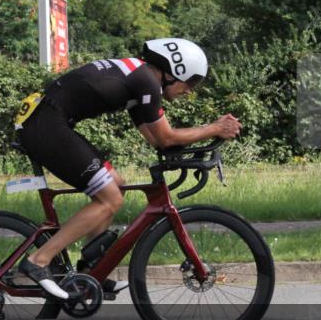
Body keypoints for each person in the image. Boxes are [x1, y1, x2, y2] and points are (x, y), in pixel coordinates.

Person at [13, 38, 242, 299]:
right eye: (190, 83)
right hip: (46, 126)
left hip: (47, 122)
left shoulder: (138, 82)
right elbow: (167, 137)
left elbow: (157, 139)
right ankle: (39, 261)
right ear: (173, 71)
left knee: (115, 183)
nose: (190, 91)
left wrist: (201, 140)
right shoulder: (145, 81)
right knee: (109, 198)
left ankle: (90, 271)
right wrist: (213, 128)